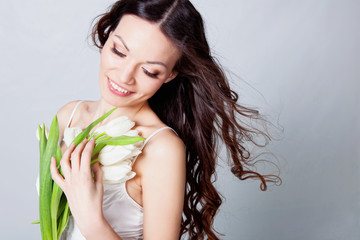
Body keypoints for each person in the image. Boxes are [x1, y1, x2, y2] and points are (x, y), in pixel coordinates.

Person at [49, 0, 279, 239]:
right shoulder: (68, 116)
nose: (125, 76)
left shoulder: (161, 149)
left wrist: (91, 220)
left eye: (149, 71)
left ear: (170, 75)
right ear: (108, 35)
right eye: (119, 51)